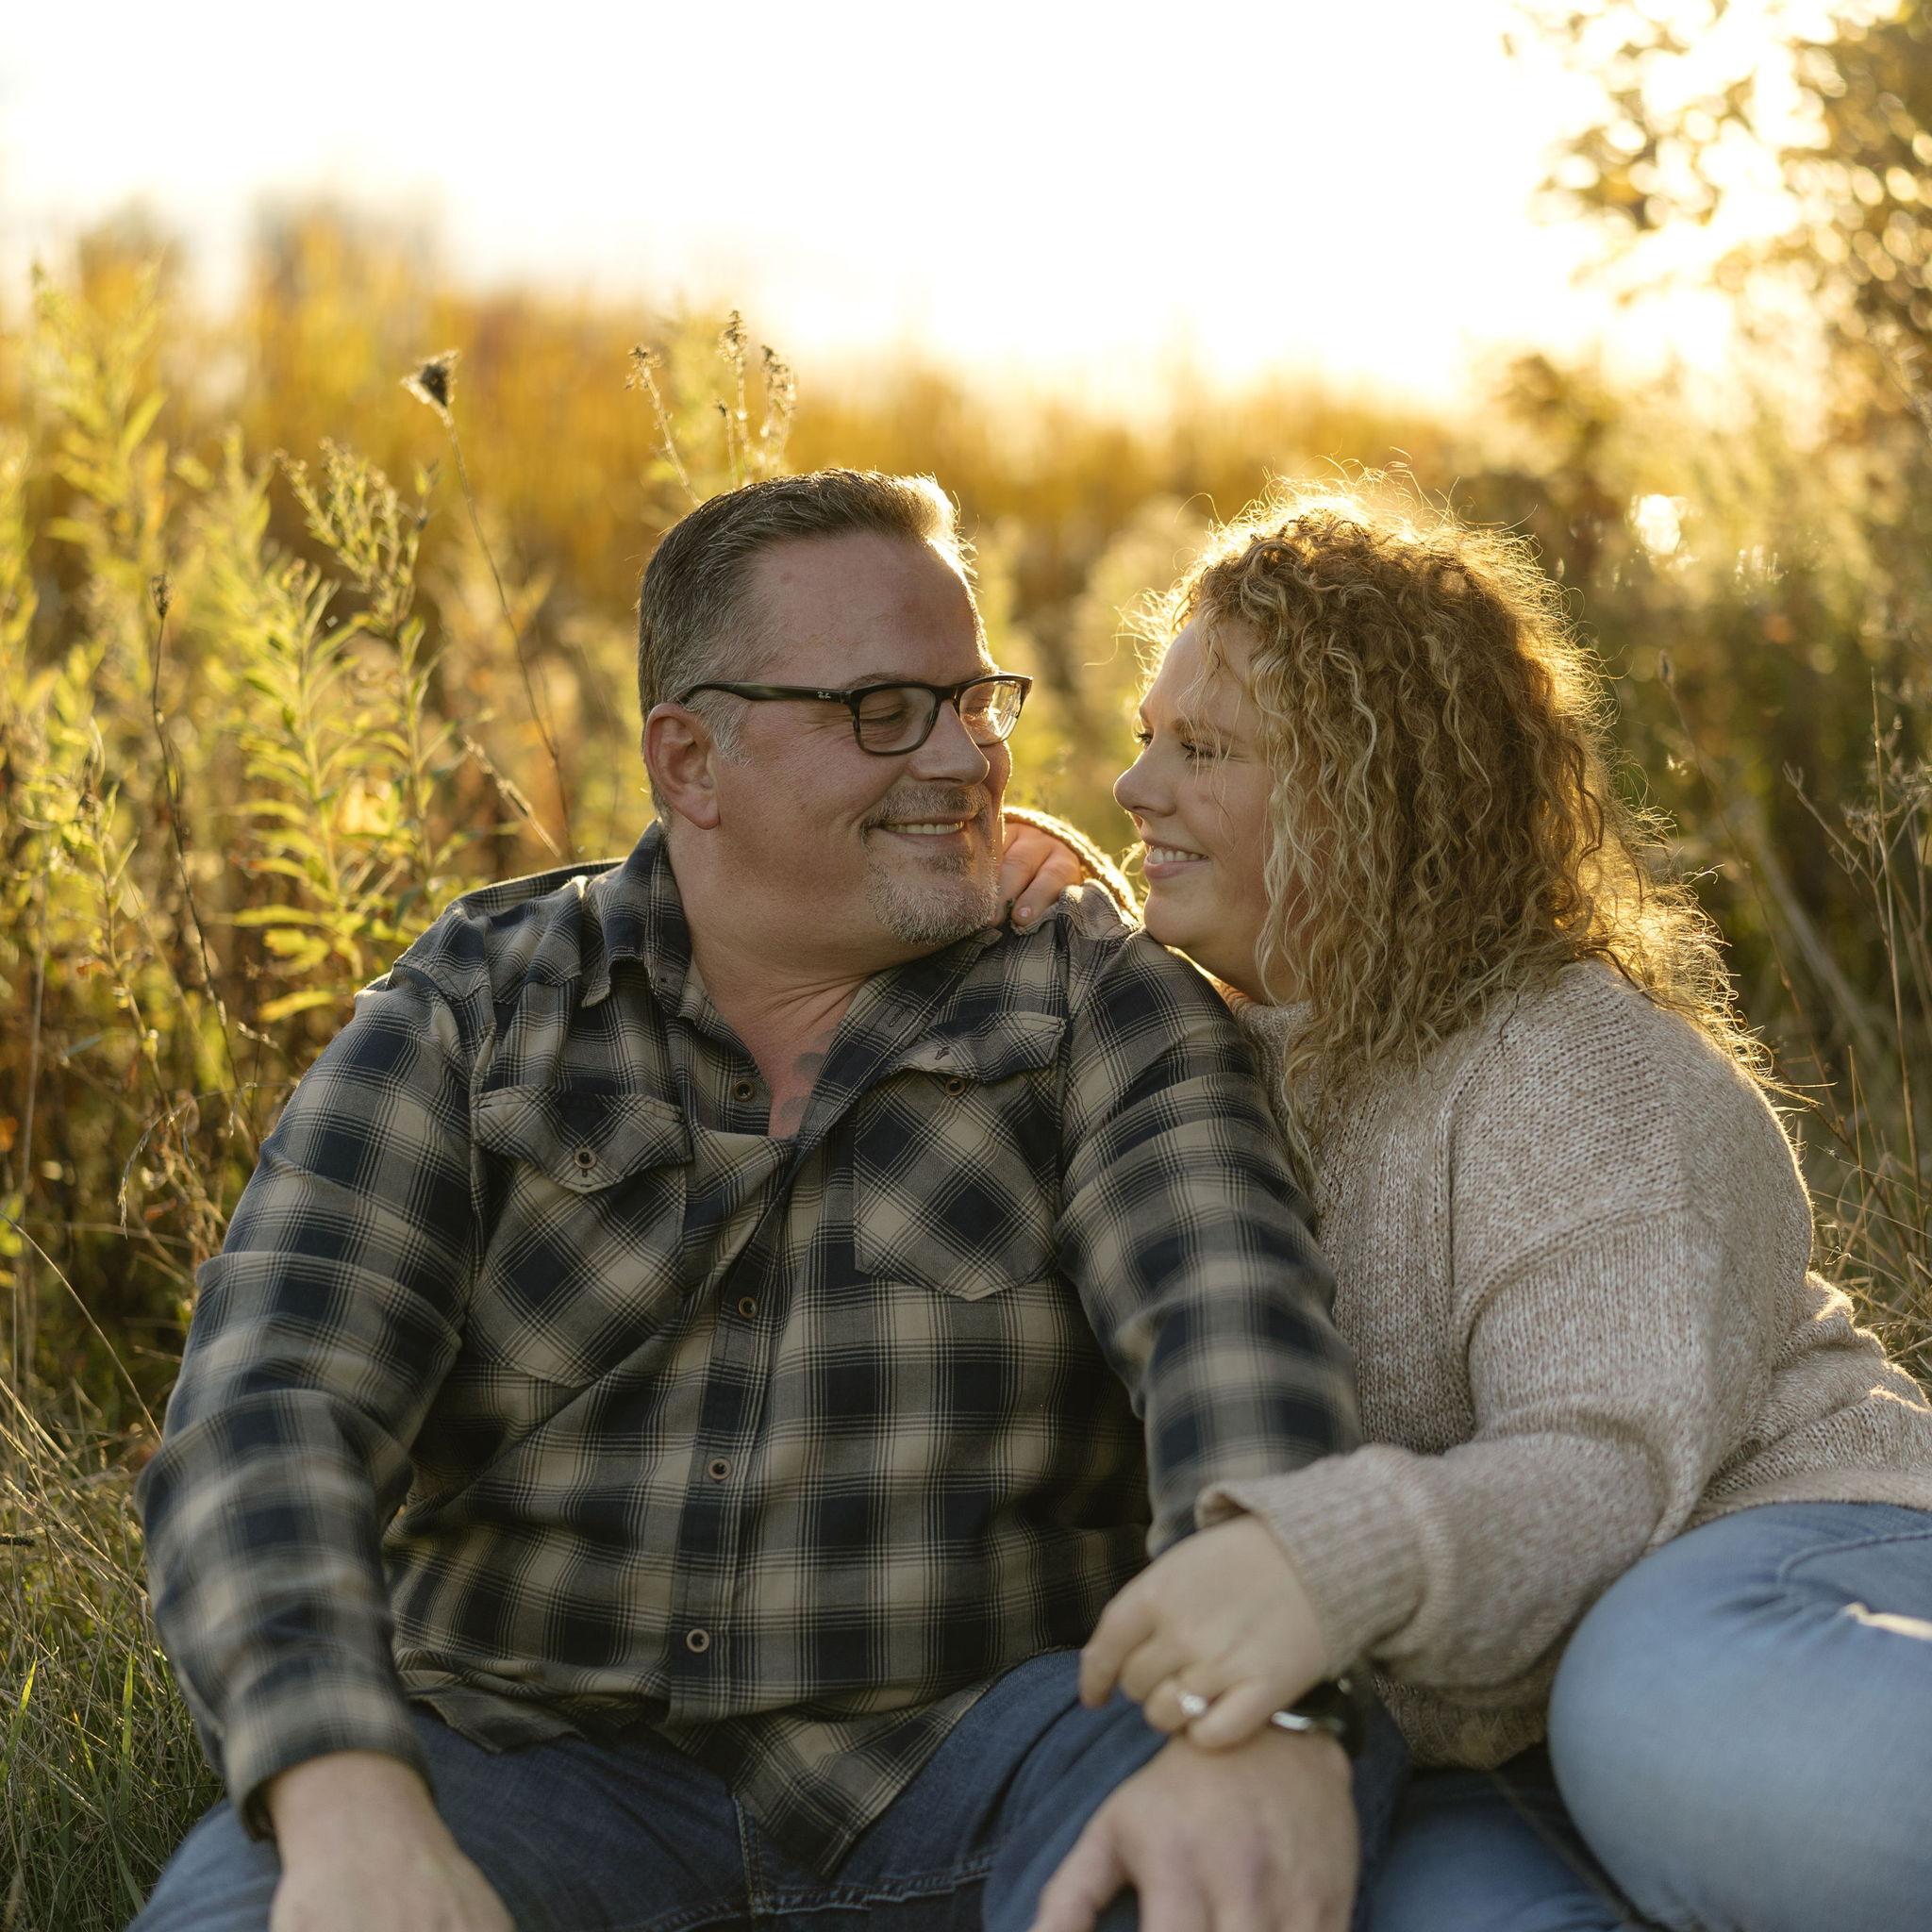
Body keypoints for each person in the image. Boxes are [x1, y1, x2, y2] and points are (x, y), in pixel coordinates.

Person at [132, 469, 1401, 1932]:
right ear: (692, 762)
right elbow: (274, 1409)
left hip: (982, 1765)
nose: (963, 759)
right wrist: (347, 1799)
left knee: (1219, 1845)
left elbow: (1233, 1345)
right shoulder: (479, 1008)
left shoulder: (1097, 1004)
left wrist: (1262, 1718)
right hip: (526, 1775)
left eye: (975, 701)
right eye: (885, 712)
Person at [1020, 481, 1932, 1932]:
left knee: (1650, 1695)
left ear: (1366, 796)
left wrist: (1329, 1560)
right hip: (1474, 1729)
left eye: (1203, 749)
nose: (1133, 789)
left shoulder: (1569, 1056)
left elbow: (1610, 1466)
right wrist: (1015, 883)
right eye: (1146, 738)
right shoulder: (1191, 1052)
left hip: (1768, 1567)